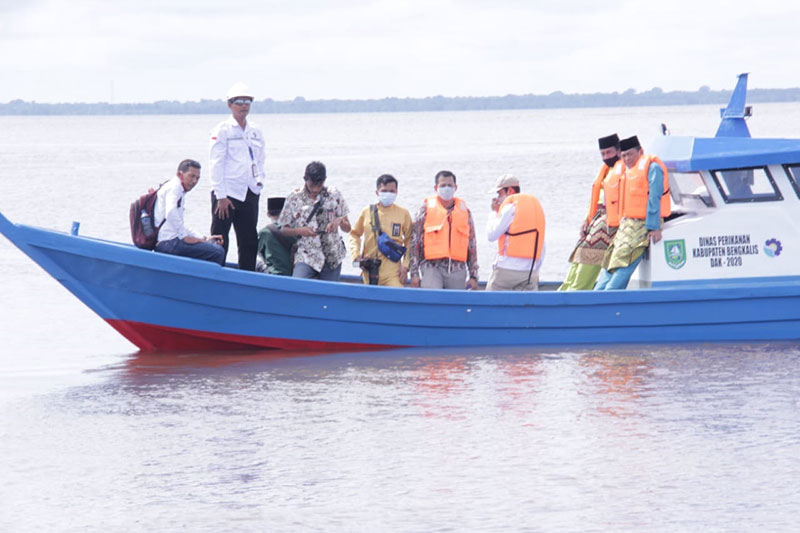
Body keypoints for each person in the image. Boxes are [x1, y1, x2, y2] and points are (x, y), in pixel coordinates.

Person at [595, 135, 670, 290]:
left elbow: (654, 197)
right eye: (623, 156)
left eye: (630, 154)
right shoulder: (628, 172)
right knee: (611, 261)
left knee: (625, 263)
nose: (627, 159)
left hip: (642, 226)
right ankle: (596, 296)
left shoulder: (652, 168)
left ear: (640, 151)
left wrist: (654, 227)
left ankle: (609, 295)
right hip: (626, 225)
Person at [209, 81, 265, 271]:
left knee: (249, 240)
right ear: (229, 104)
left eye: (247, 102)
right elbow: (215, 163)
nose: (243, 105)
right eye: (239, 101)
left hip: (249, 191)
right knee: (219, 239)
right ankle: (215, 274)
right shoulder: (222, 130)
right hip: (227, 193)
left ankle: (247, 279)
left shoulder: (255, 131)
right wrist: (221, 196)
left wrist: (259, 184)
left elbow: (260, 159)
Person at [559, 133, 625, 290]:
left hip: (611, 222)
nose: (606, 157)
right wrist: (586, 220)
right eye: (603, 154)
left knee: (589, 260)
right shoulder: (605, 171)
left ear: (618, 151)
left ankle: (577, 294)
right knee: (578, 256)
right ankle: (564, 292)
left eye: (609, 152)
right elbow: (595, 200)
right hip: (596, 218)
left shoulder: (625, 169)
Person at [278, 161, 351, 281]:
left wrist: (340, 221)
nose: (316, 190)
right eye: (312, 186)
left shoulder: (334, 195)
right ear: (305, 179)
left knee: (328, 293)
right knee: (297, 285)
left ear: (325, 180)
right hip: (307, 254)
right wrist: (300, 231)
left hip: (332, 255)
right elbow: (283, 230)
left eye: (319, 185)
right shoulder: (294, 197)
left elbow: (348, 228)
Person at [409, 170, 479, 290]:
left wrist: (474, 276)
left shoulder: (464, 211)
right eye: (443, 185)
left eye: (450, 185)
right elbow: (414, 242)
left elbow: (471, 245)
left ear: (455, 187)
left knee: (456, 304)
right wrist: (414, 273)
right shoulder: (425, 209)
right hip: (431, 266)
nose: (446, 188)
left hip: (457, 269)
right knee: (431, 298)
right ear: (436, 187)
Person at [153, 159, 225, 265]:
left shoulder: (175, 188)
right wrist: (184, 237)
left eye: (197, 178)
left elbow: (178, 225)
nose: (194, 181)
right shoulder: (175, 187)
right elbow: (171, 212)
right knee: (217, 252)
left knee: (213, 246)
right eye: (191, 176)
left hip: (169, 241)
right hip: (168, 243)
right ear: (180, 174)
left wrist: (202, 238)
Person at [349, 174, 413, 287]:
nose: (388, 194)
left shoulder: (403, 213)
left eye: (391, 191)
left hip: (393, 270)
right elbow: (354, 234)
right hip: (370, 268)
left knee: (396, 296)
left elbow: (410, 240)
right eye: (384, 191)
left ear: (396, 192)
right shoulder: (367, 212)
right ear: (377, 192)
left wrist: (406, 265)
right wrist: (356, 255)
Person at [485, 174, 546, 291]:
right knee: (527, 308)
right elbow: (542, 245)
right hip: (530, 271)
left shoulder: (509, 208)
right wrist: (535, 271)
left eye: (499, 193)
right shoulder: (535, 209)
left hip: (506, 271)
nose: (497, 198)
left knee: (491, 304)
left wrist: (494, 213)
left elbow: (491, 235)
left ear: (510, 191)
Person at [256, 197, 296, 276]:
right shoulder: (294, 230)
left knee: (254, 260)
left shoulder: (265, 232)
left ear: (268, 214)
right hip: (293, 273)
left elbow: (257, 252)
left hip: (274, 273)